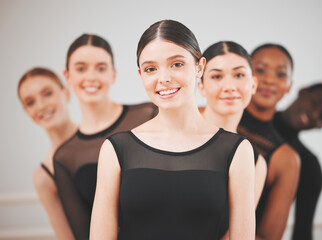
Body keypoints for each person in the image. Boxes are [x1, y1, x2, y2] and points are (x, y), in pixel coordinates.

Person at [90, 20, 255, 240]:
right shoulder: (116, 149)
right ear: (141, 75)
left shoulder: (236, 150)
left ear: (199, 67)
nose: (164, 78)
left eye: (176, 64)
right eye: (151, 69)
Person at [53, 34, 158, 239]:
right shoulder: (65, 157)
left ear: (113, 74)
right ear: (67, 76)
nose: (91, 77)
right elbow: (83, 234)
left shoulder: (148, 114)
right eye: (81, 68)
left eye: (101, 68)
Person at [198, 41, 267, 239]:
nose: (229, 87)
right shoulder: (170, 135)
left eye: (239, 75)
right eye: (217, 76)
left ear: (253, 84)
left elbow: (234, 235)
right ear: (201, 86)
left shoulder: (255, 162)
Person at [237, 43, 300, 240]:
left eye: (280, 75)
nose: (270, 80)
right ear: (243, 74)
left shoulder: (287, 159)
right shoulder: (206, 117)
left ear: (289, 85)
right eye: (261, 70)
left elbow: (269, 237)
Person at [273, 82, 322, 240]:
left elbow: (302, 233)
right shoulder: (241, 119)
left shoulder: (309, 166)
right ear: (302, 91)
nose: (314, 114)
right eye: (315, 103)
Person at [17, 67, 77, 239]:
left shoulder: (107, 141)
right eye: (30, 102)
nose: (41, 106)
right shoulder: (44, 177)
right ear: (27, 112)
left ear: (66, 93)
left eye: (47, 93)